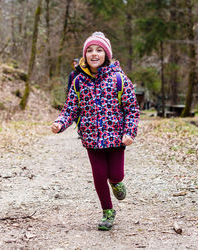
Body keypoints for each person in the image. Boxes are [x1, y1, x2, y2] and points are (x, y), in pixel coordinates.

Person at [51, 32, 140, 231]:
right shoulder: (78, 82)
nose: (94, 54)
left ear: (106, 55)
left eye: (99, 50)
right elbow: (70, 109)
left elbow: (132, 109)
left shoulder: (120, 79)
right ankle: (107, 211)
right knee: (99, 176)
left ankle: (116, 183)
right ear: (84, 56)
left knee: (115, 174)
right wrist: (60, 123)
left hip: (117, 138)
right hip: (91, 139)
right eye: (89, 50)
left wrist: (130, 133)